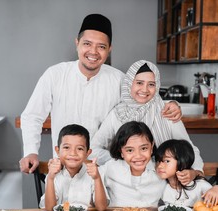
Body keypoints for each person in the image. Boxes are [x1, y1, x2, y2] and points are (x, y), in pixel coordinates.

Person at [19, 14, 181, 174]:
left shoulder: (119, 79)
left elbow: (146, 101)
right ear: (77, 43)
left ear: (109, 49)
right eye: (87, 44)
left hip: (106, 170)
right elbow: (33, 115)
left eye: (101, 47)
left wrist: (171, 105)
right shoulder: (55, 74)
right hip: (64, 168)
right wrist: (30, 151)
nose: (93, 52)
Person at [90, 59, 203, 184]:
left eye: (151, 84)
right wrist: (124, 161)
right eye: (139, 83)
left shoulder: (167, 111)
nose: (145, 89)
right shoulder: (117, 115)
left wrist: (196, 171)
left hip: (165, 182)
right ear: (129, 83)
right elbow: (93, 149)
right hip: (126, 182)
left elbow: (188, 147)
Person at [39, 124, 108, 211]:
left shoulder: (95, 174)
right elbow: (49, 209)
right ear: (57, 151)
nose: (73, 153)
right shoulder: (54, 175)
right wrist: (50, 178)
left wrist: (97, 178)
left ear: (88, 153)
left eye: (79, 148)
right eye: (66, 147)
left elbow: (101, 207)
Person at [100, 121, 166, 207]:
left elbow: (180, 176)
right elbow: (89, 179)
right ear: (121, 151)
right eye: (130, 150)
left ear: (152, 146)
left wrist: (189, 173)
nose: (138, 156)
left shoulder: (161, 167)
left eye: (144, 148)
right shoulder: (111, 167)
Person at [155, 139, 218, 208]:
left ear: (183, 162)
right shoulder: (161, 186)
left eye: (167, 161)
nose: (160, 165)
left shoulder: (200, 186)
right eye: (158, 161)